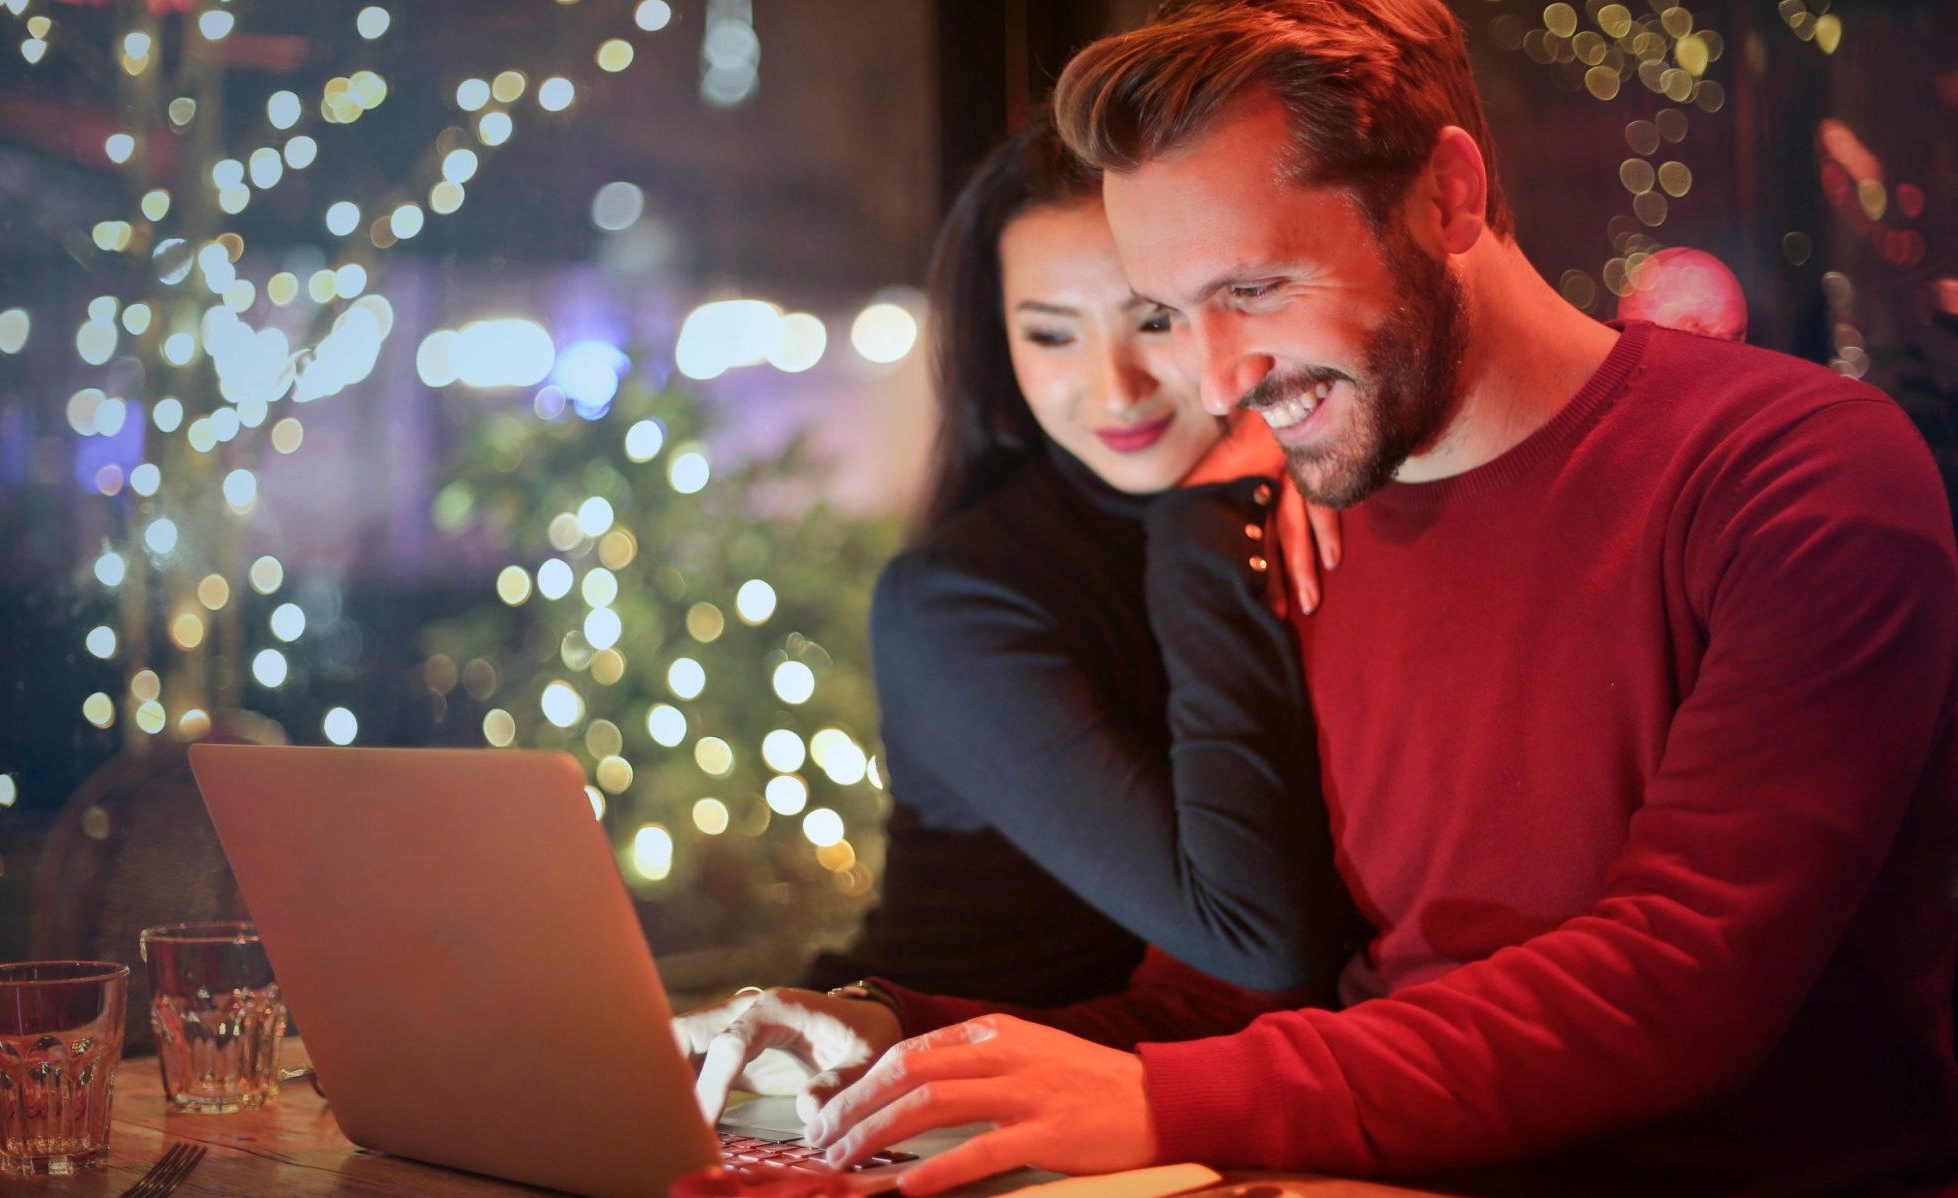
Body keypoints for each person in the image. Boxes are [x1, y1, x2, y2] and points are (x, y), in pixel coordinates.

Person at [681, 2, 1958, 1194]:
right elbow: (1233, 1003)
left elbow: (1678, 981)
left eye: (1252, 289)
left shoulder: (1790, 471)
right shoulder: (1304, 516)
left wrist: (1166, 1104)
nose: (1215, 378)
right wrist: (901, 1042)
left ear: (1447, 196)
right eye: (1173, 312)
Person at [677, 115, 1359, 1119]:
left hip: (1116, 1094)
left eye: (1150, 320)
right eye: (1049, 332)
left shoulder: (1307, 508)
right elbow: (1257, 936)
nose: (1111, 385)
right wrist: (1209, 515)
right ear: (999, 346)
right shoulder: (958, 599)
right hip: (892, 1088)